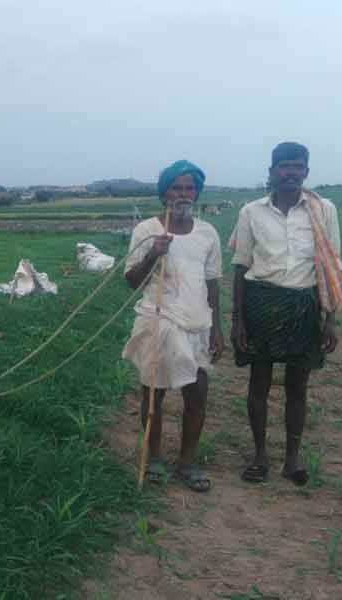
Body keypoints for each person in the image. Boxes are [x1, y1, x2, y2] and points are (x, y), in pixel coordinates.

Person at [230, 142, 342, 486]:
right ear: (271, 172)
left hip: (304, 305)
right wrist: (238, 319)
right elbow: (240, 266)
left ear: (306, 172)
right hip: (261, 303)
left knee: (298, 387)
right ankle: (260, 455)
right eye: (283, 166)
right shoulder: (251, 211)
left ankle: (292, 458)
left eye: (297, 166)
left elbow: (331, 265)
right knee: (259, 384)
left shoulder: (323, 209)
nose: (290, 172)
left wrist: (330, 319)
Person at [123, 160, 224, 492]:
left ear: (196, 192)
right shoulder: (147, 231)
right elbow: (132, 281)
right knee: (154, 395)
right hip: (159, 319)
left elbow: (212, 284)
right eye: (177, 187)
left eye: (189, 188)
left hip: (198, 322)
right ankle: (153, 458)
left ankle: (188, 462)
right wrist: (153, 253)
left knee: (197, 395)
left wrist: (218, 328)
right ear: (164, 192)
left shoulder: (208, 233)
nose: (183, 194)